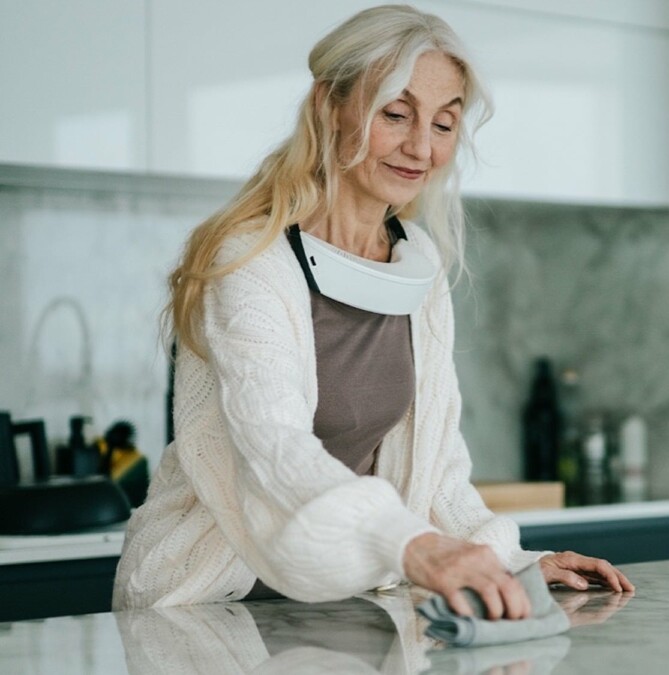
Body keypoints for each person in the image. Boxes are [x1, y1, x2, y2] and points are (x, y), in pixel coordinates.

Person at [113, 4, 633, 618]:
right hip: (203, 602)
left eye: (445, 124)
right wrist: (415, 548)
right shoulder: (251, 259)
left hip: (345, 602)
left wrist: (506, 561)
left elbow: (436, 473)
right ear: (329, 105)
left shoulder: (418, 267)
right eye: (396, 113)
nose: (422, 147)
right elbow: (277, 449)